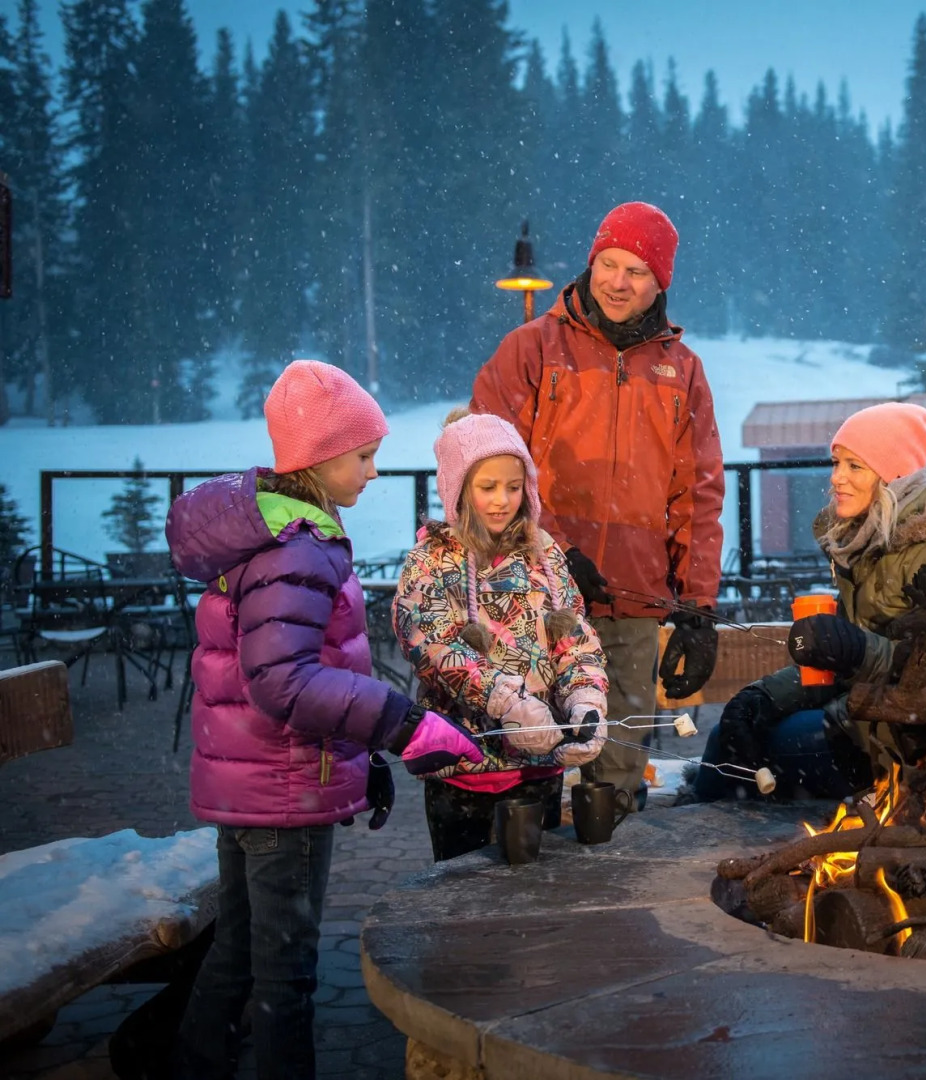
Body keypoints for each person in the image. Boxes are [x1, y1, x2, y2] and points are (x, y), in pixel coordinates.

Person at [165, 360, 484, 1080]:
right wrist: (402, 726)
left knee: (241, 947)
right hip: (283, 790)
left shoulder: (270, 532)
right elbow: (284, 681)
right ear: (317, 457)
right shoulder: (296, 547)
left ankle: (191, 1064)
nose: (374, 472)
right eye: (363, 456)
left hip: (254, 782)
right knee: (286, 971)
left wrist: (359, 756)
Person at [471, 201, 724, 809]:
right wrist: (553, 553)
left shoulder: (682, 372)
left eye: (636, 271)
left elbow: (699, 495)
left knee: (616, 782)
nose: (618, 282)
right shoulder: (531, 350)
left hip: (632, 606)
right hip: (530, 599)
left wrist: (697, 609)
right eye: (609, 264)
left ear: (660, 281)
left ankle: (613, 899)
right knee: (527, 771)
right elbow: (485, 462)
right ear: (591, 264)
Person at [695, 401, 926, 801]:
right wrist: (762, 696)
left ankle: (690, 834)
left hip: (909, 740)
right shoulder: (871, 538)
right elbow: (845, 662)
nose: (836, 479)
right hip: (867, 715)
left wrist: (858, 649)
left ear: (893, 474)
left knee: (732, 757)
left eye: (854, 466)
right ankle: (717, 825)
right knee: (733, 732)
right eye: (836, 463)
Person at [392, 409, 611, 861]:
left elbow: (574, 637)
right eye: (487, 487)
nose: (502, 500)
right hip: (464, 770)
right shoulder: (432, 560)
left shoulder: (543, 553)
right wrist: (507, 703)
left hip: (539, 769)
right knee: (466, 897)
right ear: (458, 488)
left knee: (533, 896)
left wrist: (584, 699)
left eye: (513, 487)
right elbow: (431, 643)